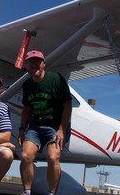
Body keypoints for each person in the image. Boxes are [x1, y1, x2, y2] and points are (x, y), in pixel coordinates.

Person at [18, 50, 72, 195]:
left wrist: (61, 129)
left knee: (53, 157)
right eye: (30, 62)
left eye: (37, 61)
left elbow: (68, 105)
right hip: (35, 126)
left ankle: (52, 193)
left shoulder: (56, 79)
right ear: (26, 66)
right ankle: (26, 191)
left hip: (55, 125)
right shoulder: (27, 85)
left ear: (43, 64)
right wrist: (22, 129)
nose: (34, 64)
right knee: (25, 156)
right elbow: (26, 109)